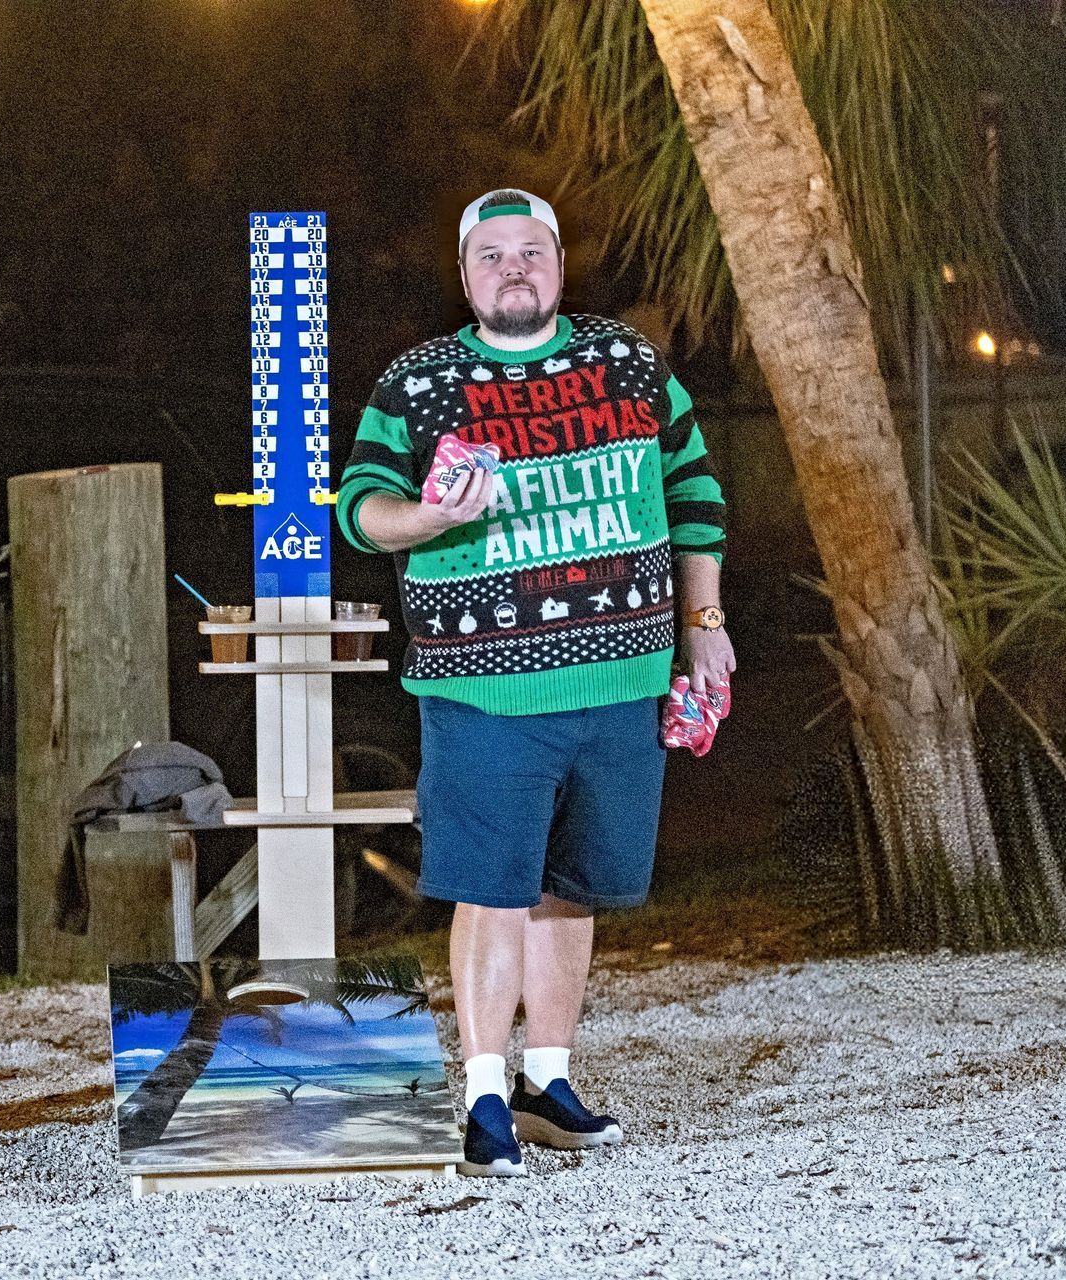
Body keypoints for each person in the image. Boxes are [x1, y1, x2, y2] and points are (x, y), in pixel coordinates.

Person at [335, 190, 733, 1176]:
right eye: (492, 254)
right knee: (491, 888)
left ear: (557, 262)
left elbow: (694, 494)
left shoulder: (629, 361)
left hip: (620, 681)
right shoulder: (418, 382)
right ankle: (482, 1098)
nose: (513, 267)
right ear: (465, 273)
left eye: (530, 251)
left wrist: (704, 625)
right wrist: (430, 517)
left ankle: (545, 1082)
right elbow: (358, 508)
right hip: (484, 691)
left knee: (574, 890)